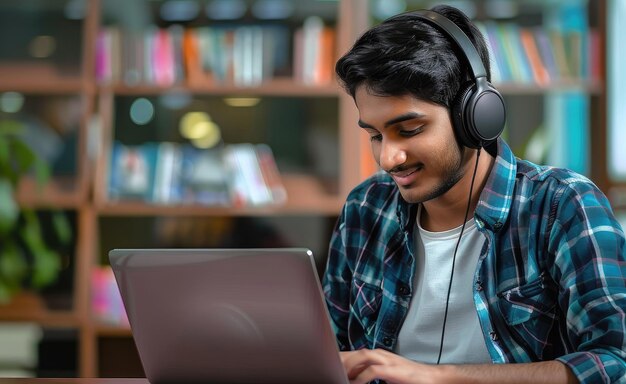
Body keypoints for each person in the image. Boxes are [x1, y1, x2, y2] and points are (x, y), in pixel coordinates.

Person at [322, 4, 626, 384]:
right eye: (376, 135)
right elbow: (325, 352)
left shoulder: (563, 206)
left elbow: (616, 361)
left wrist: (438, 376)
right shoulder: (365, 208)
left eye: (410, 130)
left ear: (476, 116)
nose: (388, 158)